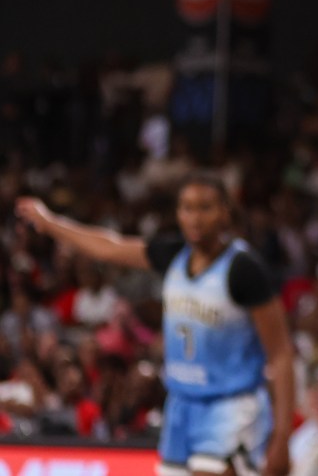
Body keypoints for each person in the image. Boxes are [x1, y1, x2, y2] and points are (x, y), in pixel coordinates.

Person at [16, 174, 294, 476]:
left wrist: (282, 436)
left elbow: (281, 354)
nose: (195, 218)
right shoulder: (173, 254)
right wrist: (50, 223)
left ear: (225, 212)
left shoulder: (243, 269)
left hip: (230, 406)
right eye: (187, 208)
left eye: (205, 208)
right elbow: (109, 247)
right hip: (181, 404)